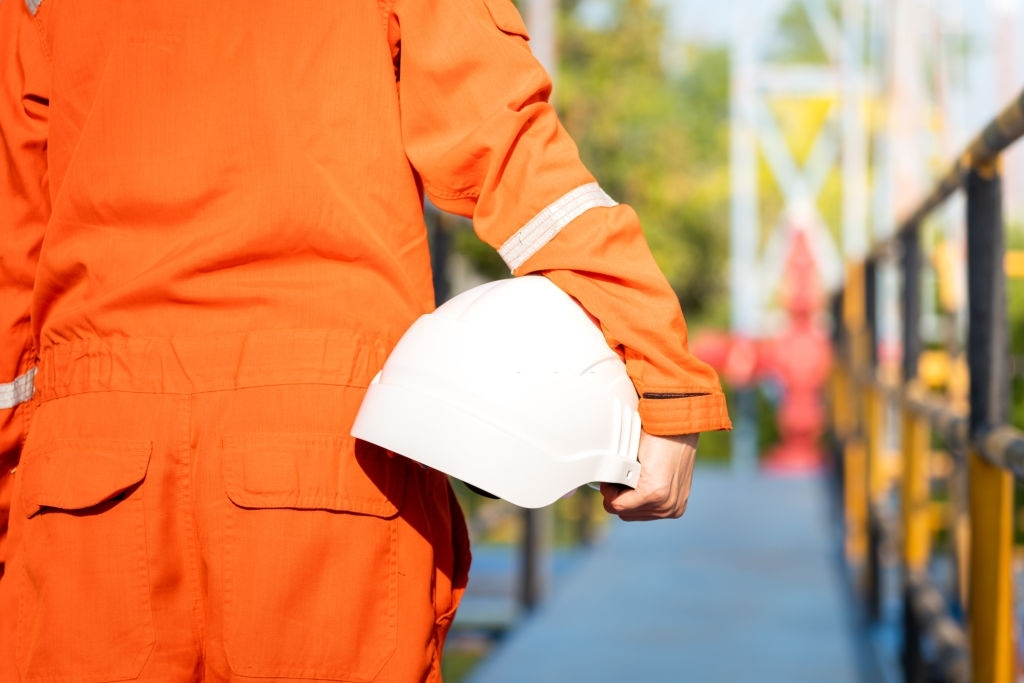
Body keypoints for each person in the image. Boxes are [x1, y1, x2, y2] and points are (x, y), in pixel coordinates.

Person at [0, 0, 732, 680]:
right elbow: (508, 152)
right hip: (327, 465)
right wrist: (659, 368)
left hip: (84, 485)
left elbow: (12, 265)